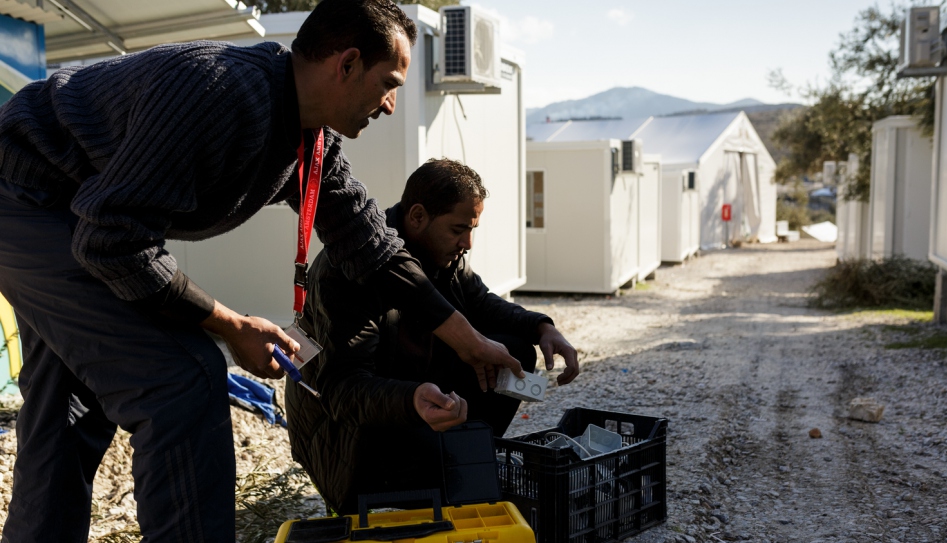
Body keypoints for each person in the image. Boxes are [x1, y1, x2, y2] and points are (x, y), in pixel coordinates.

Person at [0, 1, 523, 541]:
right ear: (345, 65)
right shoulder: (220, 94)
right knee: (182, 378)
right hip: (27, 195)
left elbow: (375, 249)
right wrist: (230, 325)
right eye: (388, 83)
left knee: (71, 400)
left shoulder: (310, 139)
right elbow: (111, 240)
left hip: (74, 212)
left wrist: (470, 341)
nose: (390, 105)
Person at [286, 158, 580, 514]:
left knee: (517, 353)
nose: (467, 243)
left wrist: (542, 327)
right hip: (345, 431)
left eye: (471, 230)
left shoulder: (442, 252)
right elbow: (343, 391)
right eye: (458, 230)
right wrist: (412, 399)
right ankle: (422, 476)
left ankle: (463, 457)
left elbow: (479, 302)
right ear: (418, 216)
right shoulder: (346, 273)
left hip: (412, 388)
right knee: (420, 478)